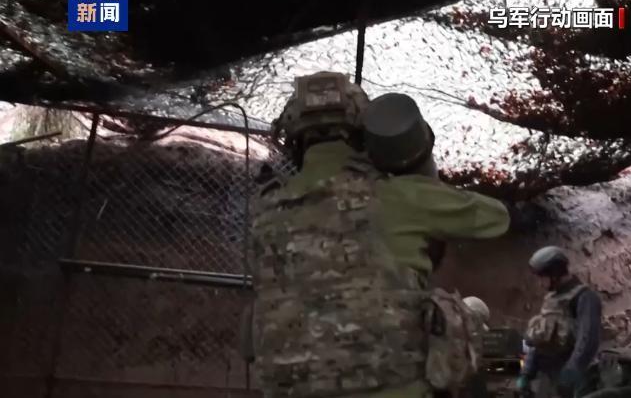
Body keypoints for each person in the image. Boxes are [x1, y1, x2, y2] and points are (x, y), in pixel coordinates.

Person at [243, 77, 511, 398]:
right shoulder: (396, 197)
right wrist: (419, 170)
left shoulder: (266, 213)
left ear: (293, 140)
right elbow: (496, 218)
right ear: (362, 133)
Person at [517, 246, 602, 398]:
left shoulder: (585, 298)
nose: (540, 284)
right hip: (549, 377)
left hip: (575, 379)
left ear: (555, 274)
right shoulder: (551, 299)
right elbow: (541, 339)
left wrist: (571, 372)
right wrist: (527, 373)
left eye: (542, 278)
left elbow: (588, 341)